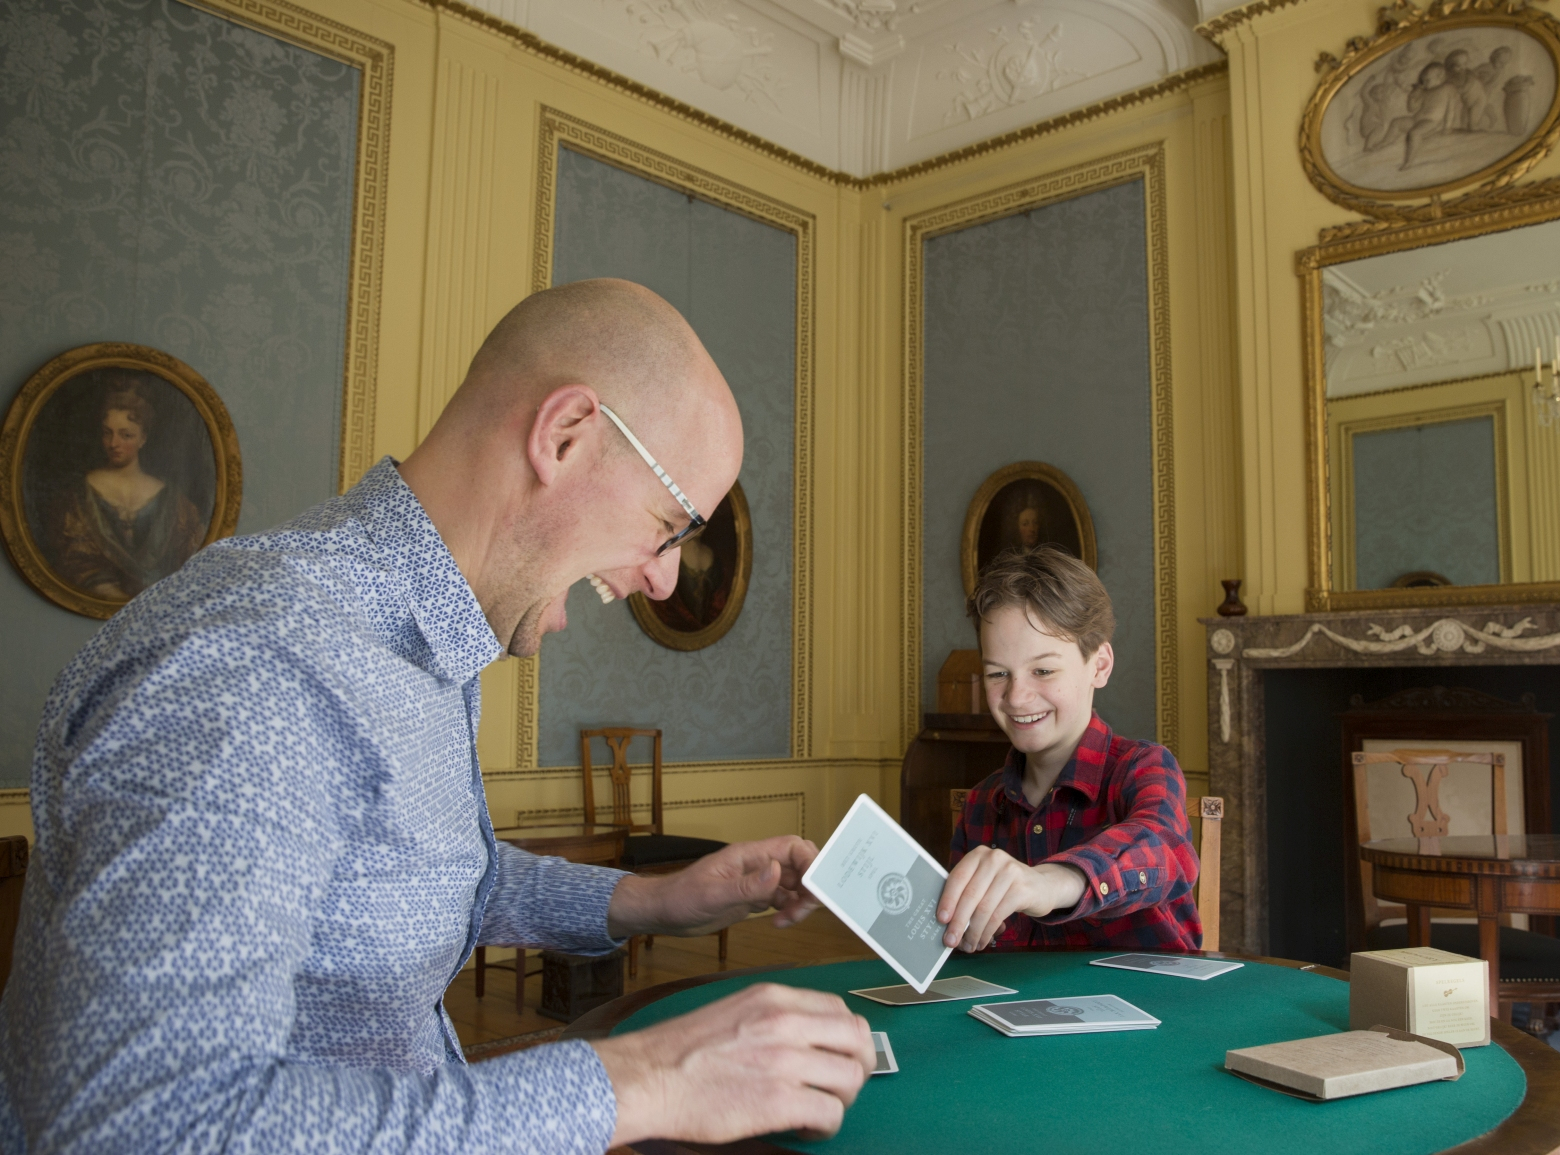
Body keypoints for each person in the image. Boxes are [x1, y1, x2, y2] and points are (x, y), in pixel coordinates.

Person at [0, 279, 875, 1153]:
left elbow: (436, 880)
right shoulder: (255, 670)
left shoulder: (433, 641)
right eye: (670, 524)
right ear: (564, 436)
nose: (665, 578)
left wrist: (655, 898)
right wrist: (641, 1080)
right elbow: (138, 1124)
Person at [935, 544, 1201, 953]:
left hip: (1154, 1010)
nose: (1017, 697)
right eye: (997, 674)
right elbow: (959, 949)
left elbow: (1163, 847)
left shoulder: (1144, 767)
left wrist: (1050, 882)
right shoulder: (979, 806)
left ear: (1099, 665)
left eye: (1043, 670)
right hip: (1012, 1012)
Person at [48, 384, 204, 600]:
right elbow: (75, 563)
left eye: (126, 435)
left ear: (143, 438)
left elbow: (192, 563)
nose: (114, 444)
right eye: (107, 433)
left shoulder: (175, 502)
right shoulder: (80, 495)